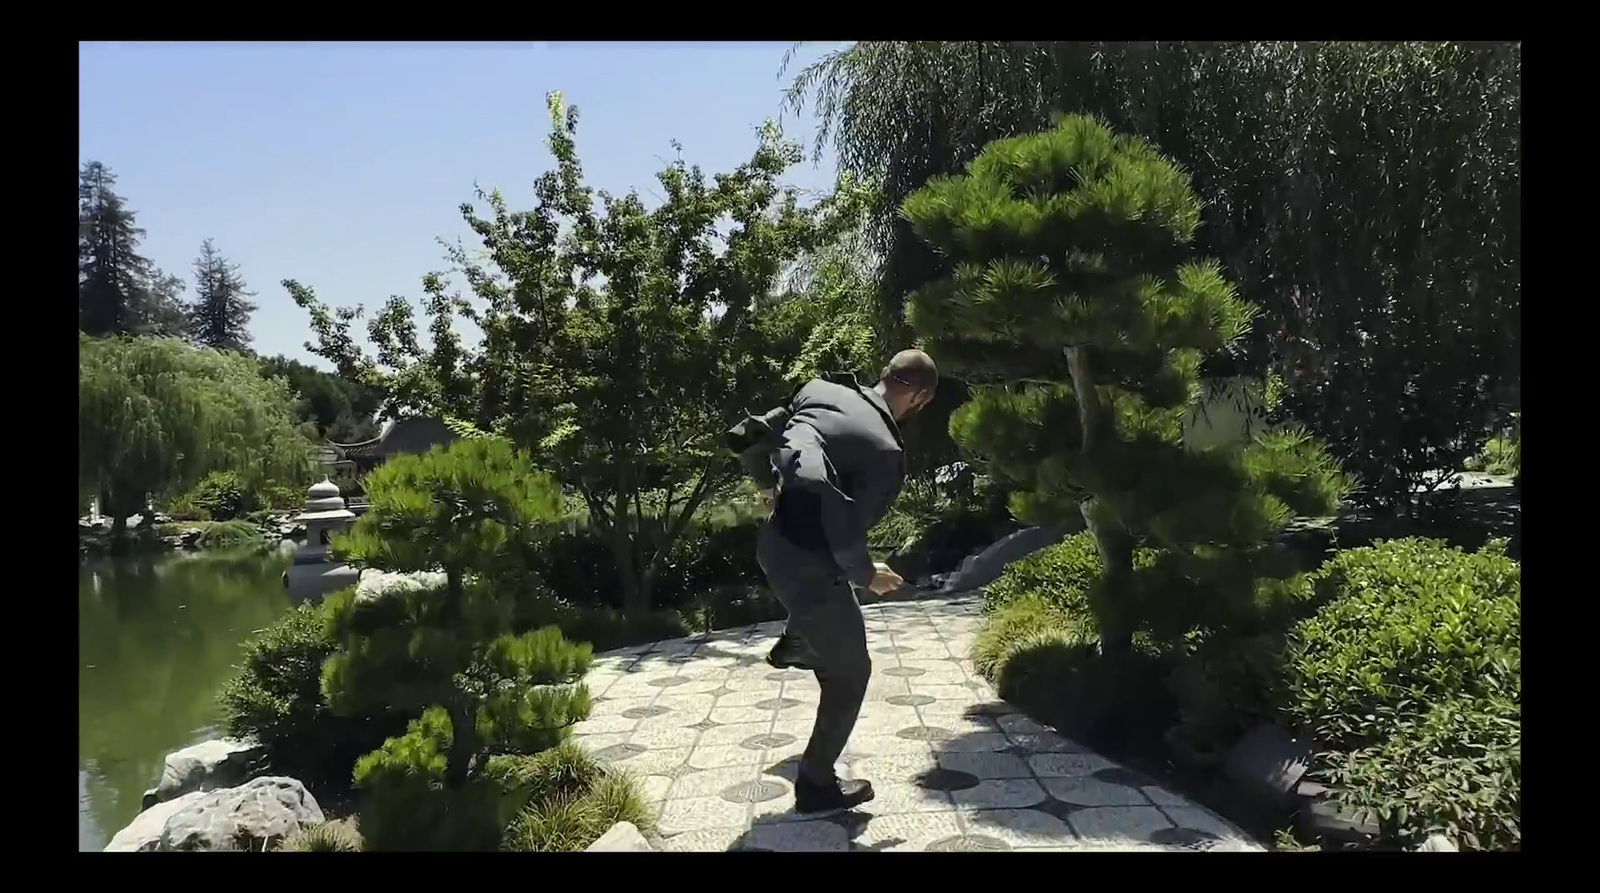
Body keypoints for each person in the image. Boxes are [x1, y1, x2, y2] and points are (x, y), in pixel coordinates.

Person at [737, 349, 939, 815]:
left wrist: (764, 482)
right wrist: (865, 573)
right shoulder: (887, 453)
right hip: (810, 566)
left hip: (773, 546)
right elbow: (840, 521)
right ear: (922, 398)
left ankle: (797, 640)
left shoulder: (821, 389)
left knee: (829, 616)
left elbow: (748, 432)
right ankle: (816, 784)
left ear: (883, 374)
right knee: (852, 672)